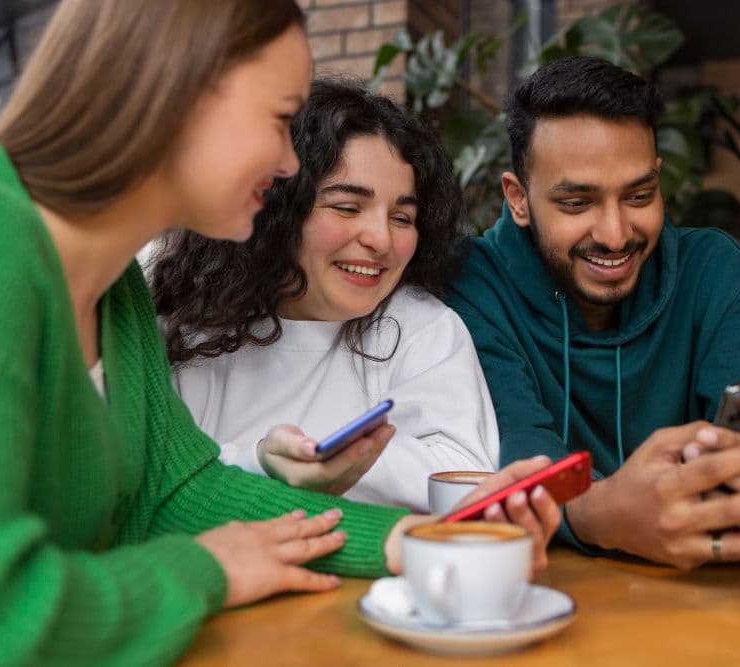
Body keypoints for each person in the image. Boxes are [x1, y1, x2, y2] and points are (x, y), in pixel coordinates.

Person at [0, 2, 560, 664]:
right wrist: (204, 568)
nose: (290, 164)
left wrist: (407, 541)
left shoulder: (118, 291)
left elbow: (180, 491)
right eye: (278, 119)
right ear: (175, 91)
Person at [445, 56, 740, 569]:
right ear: (518, 198)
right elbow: (524, 455)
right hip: (547, 594)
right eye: (577, 203)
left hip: (707, 594)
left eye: (639, 194)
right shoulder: (472, 283)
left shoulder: (716, 274)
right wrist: (602, 513)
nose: (615, 234)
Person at [150, 78, 498, 513]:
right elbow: (160, 486)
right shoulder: (189, 336)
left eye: (403, 217)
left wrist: (326, 463)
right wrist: (266, 462)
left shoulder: (422, 328)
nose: (381, 239)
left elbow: (464, 477)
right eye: (347, 208)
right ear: (275, 208)